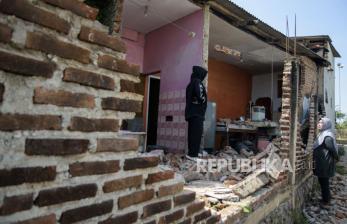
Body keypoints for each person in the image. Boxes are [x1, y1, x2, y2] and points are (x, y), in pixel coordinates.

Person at [313, 117, 339, 206]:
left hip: (325, 162)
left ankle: (326, 200)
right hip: (321, 162)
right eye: (319, 122)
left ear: (326, 125)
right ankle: (326, 198)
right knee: (322, 180)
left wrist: (337, 157)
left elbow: (331, 148)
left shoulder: (327, 136)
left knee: (324, 181)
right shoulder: (322, 134)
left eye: (321, 123)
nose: (319, 124)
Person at [185, 66, 208, 160]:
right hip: (197, 113)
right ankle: (193, 155)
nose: (204, 77)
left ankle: (192, 153)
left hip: (191, 113)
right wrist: (203, 102)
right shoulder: (197, 82)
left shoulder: (191, 83)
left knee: (192, 133)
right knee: (196, 134)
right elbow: (200, 96)